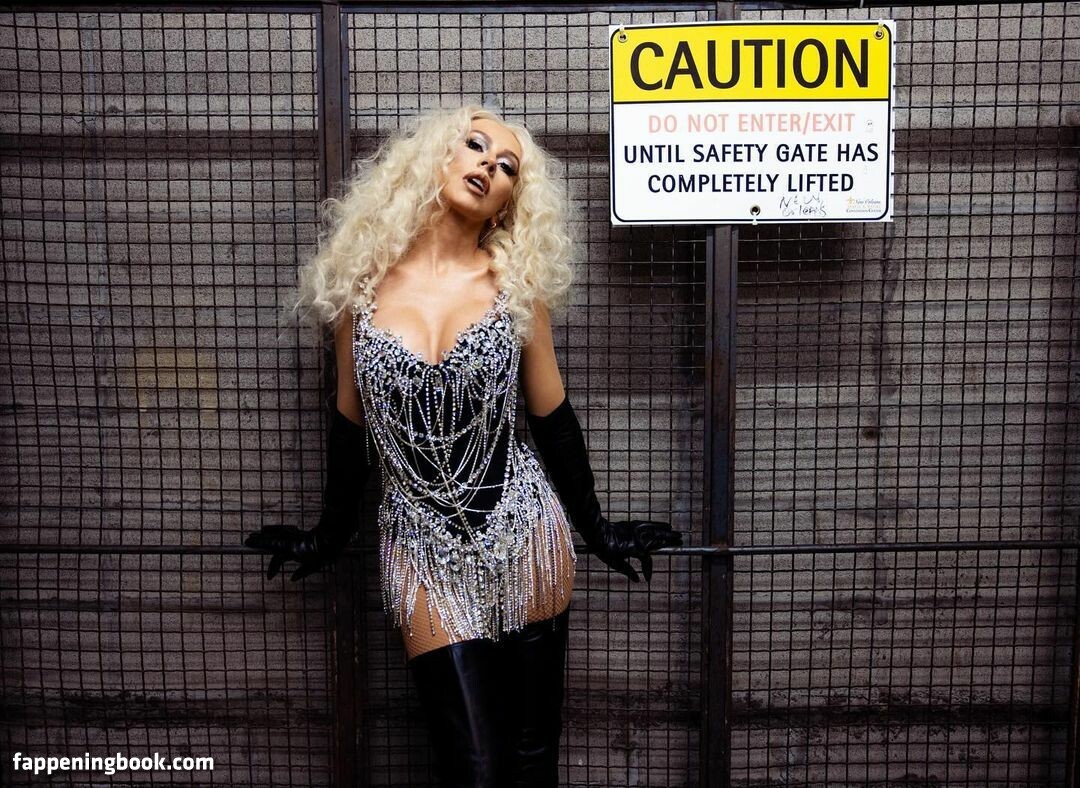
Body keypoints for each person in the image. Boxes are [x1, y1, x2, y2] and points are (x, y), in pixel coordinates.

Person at [244, 104, 682, 787]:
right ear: (437, 157)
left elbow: (552, 415)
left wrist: (597, 528)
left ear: (510, 201)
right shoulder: (360, 288)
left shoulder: (513, 288)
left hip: (523, 531)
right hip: (419, 549)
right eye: (476, 146)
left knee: (531, 761)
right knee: (474, 769)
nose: (488, 166)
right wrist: (325, 536)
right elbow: (350, 425)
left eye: (507, 167)